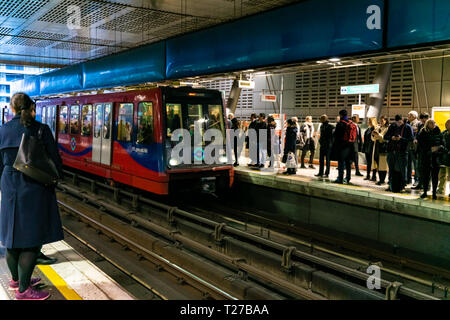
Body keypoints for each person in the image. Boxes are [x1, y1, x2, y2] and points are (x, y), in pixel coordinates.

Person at [0, 92, 64, 300]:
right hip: (34, 187)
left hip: (9, 184)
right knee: (32, 240)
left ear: (12, 109)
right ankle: (24, 291)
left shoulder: (2, 130)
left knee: (12, 237)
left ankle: (16, 280)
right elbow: (55, 161)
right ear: (30, 108)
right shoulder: (40, 129)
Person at [383, 115, 414, 192]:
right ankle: (391, 184)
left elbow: (411, 138)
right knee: (391, 168)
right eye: (397, 122)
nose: (398, 124)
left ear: (402, 120)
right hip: (392, 150)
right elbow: (385, 137)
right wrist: (392, 137)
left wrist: (401, 139)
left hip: (402, 151)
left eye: (399, 122)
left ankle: (402, 185)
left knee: (402, 169)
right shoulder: (393, 126)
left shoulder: (407, 127)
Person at [416, 119, 444, 199]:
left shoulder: (439, 132)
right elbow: (420, 145)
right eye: (431, 123)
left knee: (435, 176)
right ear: (427, 124)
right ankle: (425, 191)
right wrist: (429, 149)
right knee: (426, 176)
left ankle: (434, 192)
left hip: (436, 158)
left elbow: (442, 144)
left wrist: (438, 148)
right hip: (426, 157)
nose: (433, 124)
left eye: (434, 123)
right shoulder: (423, 133)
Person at [331, 109, 355, 184]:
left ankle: (340, 178)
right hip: (350, 146)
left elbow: (336, 135)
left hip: (342, 146)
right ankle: (348, 178)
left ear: (341, 115)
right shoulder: (351, 123)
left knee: (341, 163)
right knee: (348, 163)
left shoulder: (340, 123)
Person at [412, 112, 430, 190]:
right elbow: (417, 135)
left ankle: (427, 185)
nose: (423, 120)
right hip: (420, 149)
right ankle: (420, 183)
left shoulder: (430, 125)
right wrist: (416, 139)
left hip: (427, 150)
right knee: (419, 167)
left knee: (426, 168)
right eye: (422, 119)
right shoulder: (420, 125)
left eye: (424, 119)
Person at [371, 116, 389, 185]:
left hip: (383, 148)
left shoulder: (387, 128)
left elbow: (383, 138)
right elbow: (373, 139)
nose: (381, 122)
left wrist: (378, 135)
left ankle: (382, 180)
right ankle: (380, 179)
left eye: (382, 121)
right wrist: (373, 135)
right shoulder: (378, 128)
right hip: (377, 148)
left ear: (386, 121)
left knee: (383, 166)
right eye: (380, 121)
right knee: (378, 164)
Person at [407, 111, 421, 186]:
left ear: (414, 116)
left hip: (415, 147)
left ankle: (417, 180)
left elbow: (417, 135)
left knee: (416, 164)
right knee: (408, 164)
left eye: (410, 115)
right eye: (408, 115)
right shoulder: (407, 124)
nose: (408, 116)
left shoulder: (418, 124)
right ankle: (408, 179)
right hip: (408, 147)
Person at [437, 119, 450, 196]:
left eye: (448, 124)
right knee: (442, 174)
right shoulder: (444, 133)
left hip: (449, 156)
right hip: (443, 157)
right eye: (446, 124)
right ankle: (441, 189)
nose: (446, 125)